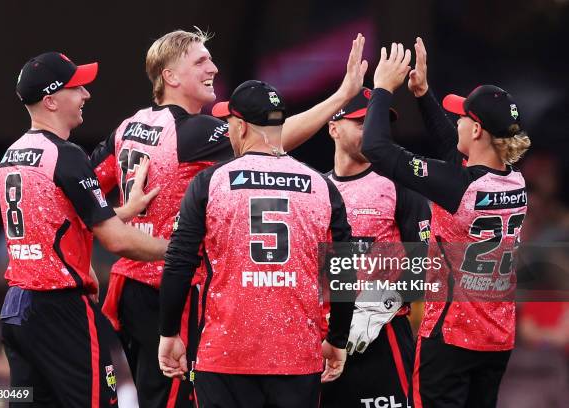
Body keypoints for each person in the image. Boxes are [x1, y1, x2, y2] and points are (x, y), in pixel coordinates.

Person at [91, 28, 368, 408]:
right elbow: (271, 139)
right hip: (171, 292)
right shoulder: (194, 130)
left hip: (127, 288)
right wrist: (339, 97)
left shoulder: (126, 127)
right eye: (201, 61)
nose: (213, 67)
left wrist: (122, 215)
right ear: (170, 76)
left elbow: (83, 192)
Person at [157, 80, 356, 408]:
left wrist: (168, 332)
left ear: (239, 126)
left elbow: (179, 261)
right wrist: (338, 339)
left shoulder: (211, 182)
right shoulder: (322, 186)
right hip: (297, 357)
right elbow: (344, 270)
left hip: (224, 356)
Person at [360, 39, 530, 408]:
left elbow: (375, 148)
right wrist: (423, 94)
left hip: (450, 338)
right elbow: (452, 155)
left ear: (477, 131)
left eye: (463, 117)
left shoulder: (459, 187)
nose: (456, 120)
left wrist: (384, 90)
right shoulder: (515, 180)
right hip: (495, 339)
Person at [0, 52, 168, 407]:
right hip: (60, 308)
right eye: (77, 88)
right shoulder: (67, 155)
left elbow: (56, 223)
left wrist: (123, 210)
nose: (86, 95)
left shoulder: (12, 154)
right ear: (51, 100)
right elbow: (116, 240)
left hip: (17, 308)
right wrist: (181, 246)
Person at [320, 88, 431, 407]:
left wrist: (382, 302)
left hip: (384, 334)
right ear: (334, 127)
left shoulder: (400, 186)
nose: (373, 131)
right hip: (324, 335)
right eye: (362, 122)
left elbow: (427, 262)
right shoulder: (315, 188)